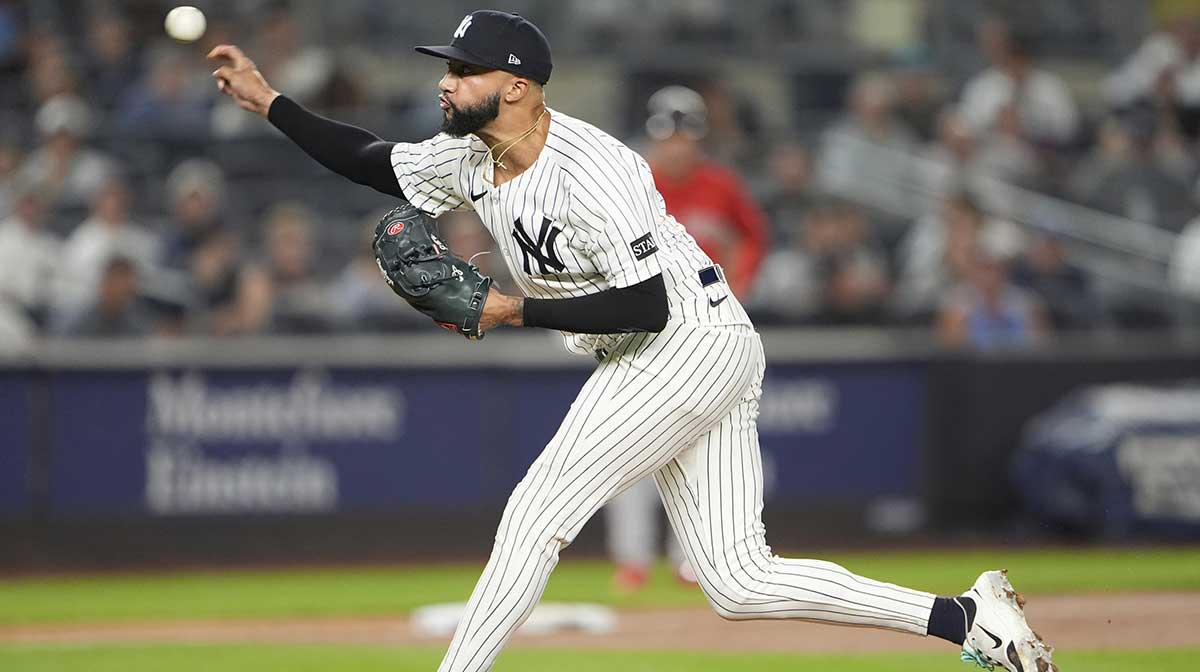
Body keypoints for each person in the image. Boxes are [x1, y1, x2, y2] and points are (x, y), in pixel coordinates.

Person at [208, 10, 1055, 672]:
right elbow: (371, 158)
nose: (445, 82)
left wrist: (513, 313)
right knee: (739, 582)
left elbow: (646, 303)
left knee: (535, 513)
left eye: (461, 70)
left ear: (516, 86)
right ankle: (964, 617)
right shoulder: (469, 158)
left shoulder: (595, 168)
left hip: (682, 337)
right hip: (684, 344)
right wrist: (271, 103)